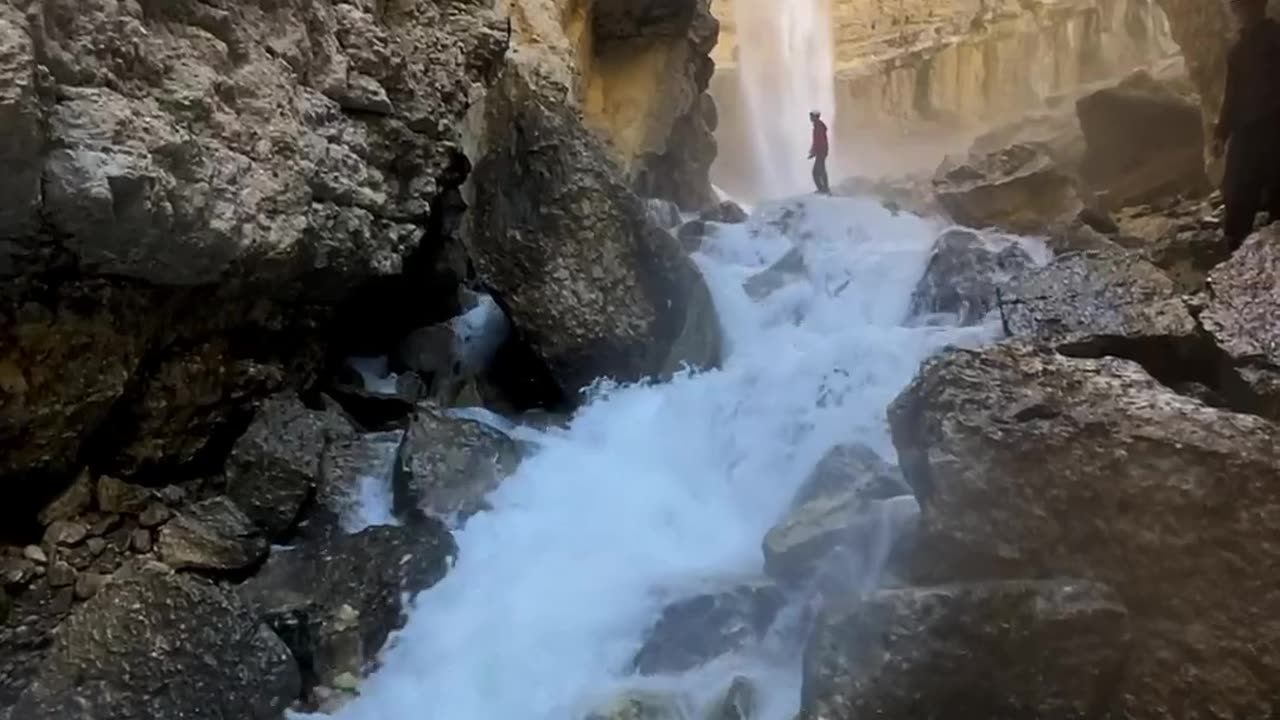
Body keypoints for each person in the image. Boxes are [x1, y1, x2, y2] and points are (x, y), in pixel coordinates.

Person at [1212, 0, 1280, 251]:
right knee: (1237, 195)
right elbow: (1232, 97)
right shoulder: (1238, 51)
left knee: (1272, 194)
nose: (1238, 13)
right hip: (1247, 133)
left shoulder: (1276, 40)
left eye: (1240, 7)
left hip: (1273, 129)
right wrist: (1221, 133)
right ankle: (1236, 255)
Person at [808, 110, 831, 195]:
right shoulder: (818, 126)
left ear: (815, 117)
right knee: (821, 170)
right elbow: (817, 141)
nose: (810, 118)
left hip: (821, 151)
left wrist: (814, 151)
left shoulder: (818, 127)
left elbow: (819, 141)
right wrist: (813, 150)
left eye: (811, 116)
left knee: (816, 172)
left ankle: (823, 189)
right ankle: (824, 188)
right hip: (822, 151)